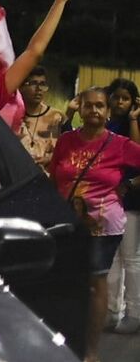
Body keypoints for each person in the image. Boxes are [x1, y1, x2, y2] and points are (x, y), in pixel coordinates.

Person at [48, 86, 140, 361]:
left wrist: (131, 184)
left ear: (108, 111)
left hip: (103, 226)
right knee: (66, 283)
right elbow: (54, 175)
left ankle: (91, 351)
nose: (94, 111)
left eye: (100, 106)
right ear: (80, 109)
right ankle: (64, 343)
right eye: (89, 105)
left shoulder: (119, 144)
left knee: (96, 282)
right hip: (67, 224)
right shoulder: (66, 140)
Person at [104, 78, 140, 335]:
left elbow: (137, 155)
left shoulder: (133, 126)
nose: (119, 102)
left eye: (125, 98)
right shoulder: (107, 124)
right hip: (108, 199)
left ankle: (134, 313)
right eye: (116, 97)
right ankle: (111, 311)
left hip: (131, 200)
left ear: (134, 102)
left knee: (131, 258)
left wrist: (136, 119)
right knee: (112, 258)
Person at [17, 67, 66, 171]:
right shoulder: (11, 116)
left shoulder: (57, 117)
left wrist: (51, 158)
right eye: (33, 83)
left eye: (43, 84)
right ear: (21, 87)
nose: (39, 89)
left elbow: (69, 150)